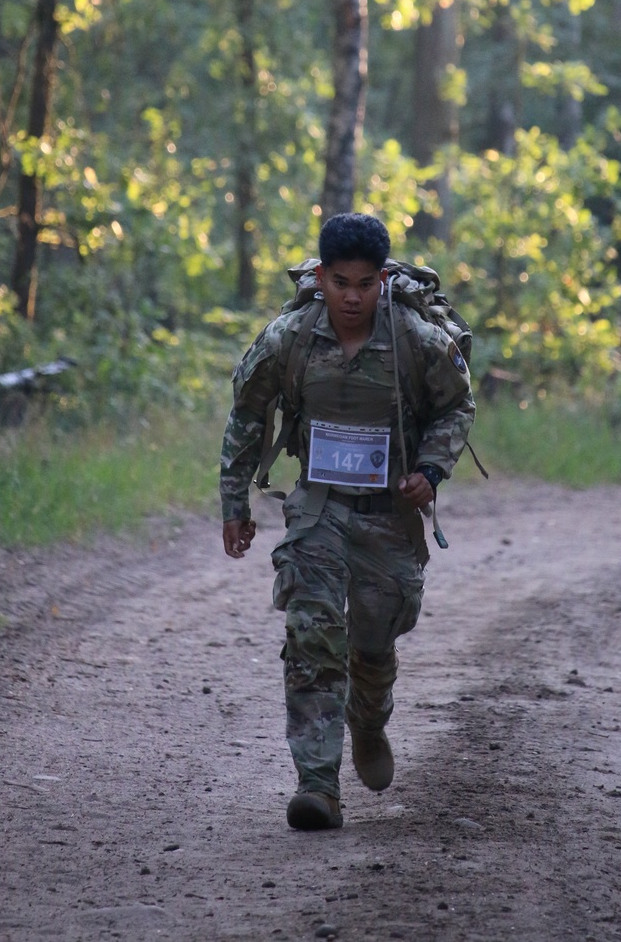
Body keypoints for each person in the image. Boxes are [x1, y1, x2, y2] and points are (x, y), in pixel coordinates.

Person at [220, 212, 475, 831]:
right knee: (312, 635)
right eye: (340, 283)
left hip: (389, 517)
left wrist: (431, 472)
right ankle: (317, 785)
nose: (353, 296)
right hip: (319, 510)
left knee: (374, 638)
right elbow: (247, 417)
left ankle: (369, 717)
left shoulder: (416, 338)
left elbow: (455, 407)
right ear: (322, 276)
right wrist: (235, 503)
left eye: (365, 283)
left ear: (384, 278)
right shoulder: (290, 336)